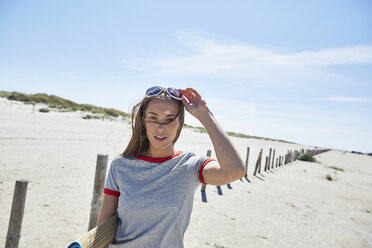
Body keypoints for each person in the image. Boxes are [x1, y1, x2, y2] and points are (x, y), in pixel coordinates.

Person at [98, 86, 245, 247]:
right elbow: (103, 225)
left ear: (179, 124)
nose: (160, 127)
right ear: (144, 121)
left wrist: (204, 114)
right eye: (153, 117)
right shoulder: (120, 166)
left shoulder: (190, 166)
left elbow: (235, 171)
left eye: (169, 119)